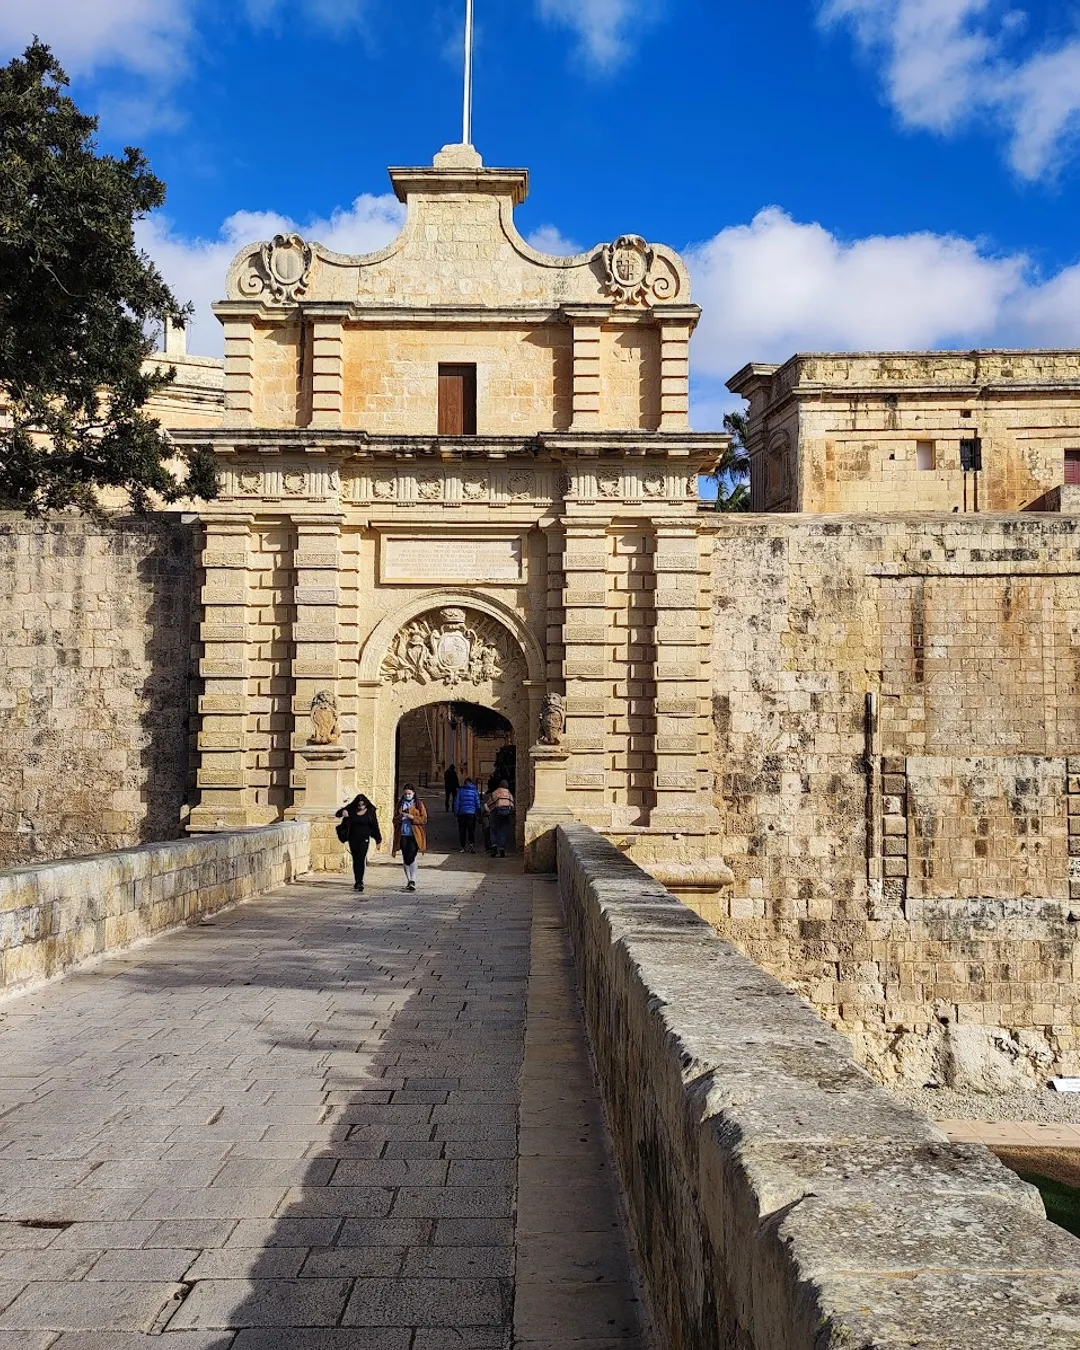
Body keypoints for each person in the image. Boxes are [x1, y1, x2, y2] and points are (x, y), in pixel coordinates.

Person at [334, 794, 382, 893]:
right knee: (356, 859)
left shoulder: (370, 811)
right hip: (353, 838)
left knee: (361, 858)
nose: (361, 807)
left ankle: (360, 881)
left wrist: (378, 840)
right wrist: (343, 812)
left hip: (364, 838)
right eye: (359, 805)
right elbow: (337, 814)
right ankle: (357, 880)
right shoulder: (351, 809)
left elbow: (375, 825)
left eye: (362, 805)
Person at [392, 784, 428, 892]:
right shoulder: (400, 804)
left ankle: (413, 879)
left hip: (414, 835)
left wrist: (412, 817)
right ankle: (409, 880)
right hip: (403, 834)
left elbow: (424, 819)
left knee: (411, 856)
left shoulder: (418, 804)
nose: (408, 795)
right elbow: (394, 820)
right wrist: (400, 817)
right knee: (405, 857)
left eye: (409, 794)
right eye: (406, 793)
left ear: (414, 793)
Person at [488, 779, 514, 858]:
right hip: (506, 814)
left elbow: (489, 803)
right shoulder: (509, 794)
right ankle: (502, 848)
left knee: (493, 830)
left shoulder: (496, 792)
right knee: (503, 831)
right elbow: (512, 804)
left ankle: (494, 846)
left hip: (496, 812)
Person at [454, 776, 481, 852]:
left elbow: (456, 803)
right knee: (471, 830)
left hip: (462, 814)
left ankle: (462, 847)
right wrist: (478, 814)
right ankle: (471, 845)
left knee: (462, 830)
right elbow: (477, 803)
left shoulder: (460, 791)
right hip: (471, 814)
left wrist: (456, 812)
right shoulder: (475, 792)